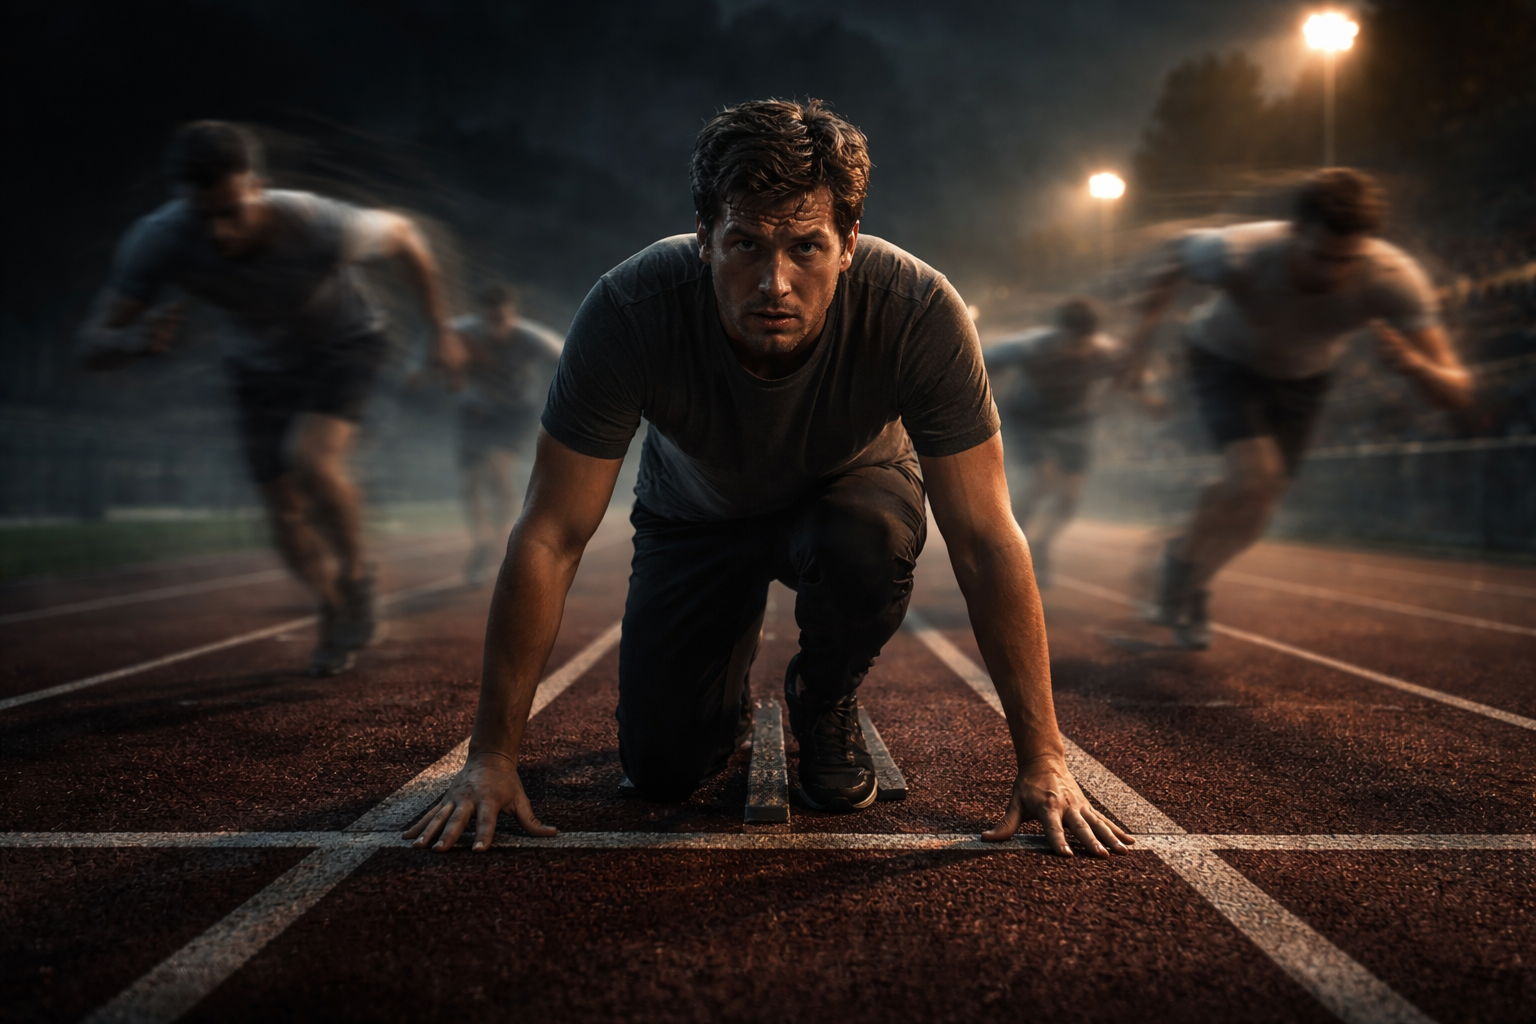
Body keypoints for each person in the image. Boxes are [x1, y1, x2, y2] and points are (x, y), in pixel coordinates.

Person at [406, 98, 1133, 858]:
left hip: (847, 497)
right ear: (703, 240)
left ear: (849, 243)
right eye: (746, 244)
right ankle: (717, 690)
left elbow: (985, 541)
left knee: (871, 535)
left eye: (806, 248)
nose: (775, 282)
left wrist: (1044, 760)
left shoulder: (917, 310)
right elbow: (550, 534)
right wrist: (490, 757)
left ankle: (824, 698)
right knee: (662, 769)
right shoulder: (629, 309)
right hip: (696, 516)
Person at [78, 121, 466, 675]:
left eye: (232, 210)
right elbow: (90, 342)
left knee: (309, 460)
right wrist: (128, 340)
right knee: (282, 514)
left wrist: (442, 330)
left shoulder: (313, 220)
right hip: (257, 366)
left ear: (257, 186)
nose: (218, 232)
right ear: (180, 201)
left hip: (344, 342)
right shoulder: (158, 240)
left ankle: (356, 575)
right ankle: (334, 607)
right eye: (202, 216)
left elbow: (405, 236)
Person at [1125, 168, 1473, 649]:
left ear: (1367, 247)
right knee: (1255, 476)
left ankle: (1188, 572)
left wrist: (1415, 366)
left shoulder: (1393, 278)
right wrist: (1135, 352)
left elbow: (1457, 390)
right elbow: (1173, 260)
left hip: (1303, 378)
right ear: (1294, 233)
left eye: (1345, 261)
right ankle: (1183, 572)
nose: (1331, 273)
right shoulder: (1240, 250)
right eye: (1318, 257)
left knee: (1260, 504)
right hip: (1223, 358)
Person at [984, 297, 1160, 587]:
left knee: (1070, 498)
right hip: (1031, 419)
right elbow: (984, 363)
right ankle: (1011, 545)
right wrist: (983, 396)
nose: (1078, 349)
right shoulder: (1028, 347)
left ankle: (1041, 544)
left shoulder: (1106, 351)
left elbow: (1131, 378)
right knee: (1045, 482)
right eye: (1071, 341)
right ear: (1058, 332)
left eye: (1084, 341)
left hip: (1076, 422)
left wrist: (1147, 400)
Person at [447, 285, 564, 584]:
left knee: (498, 472)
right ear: (480, 317)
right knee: (470, 482)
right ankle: (482, 540)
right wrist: (417, 371)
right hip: (475, 412)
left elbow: (567, 355)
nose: (496, 327)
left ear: (512, 314)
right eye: (490, 320)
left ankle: (505, 543)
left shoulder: (531, 336)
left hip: (513, 414)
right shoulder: (461, 331)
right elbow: (432, 346)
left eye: (502, 318)